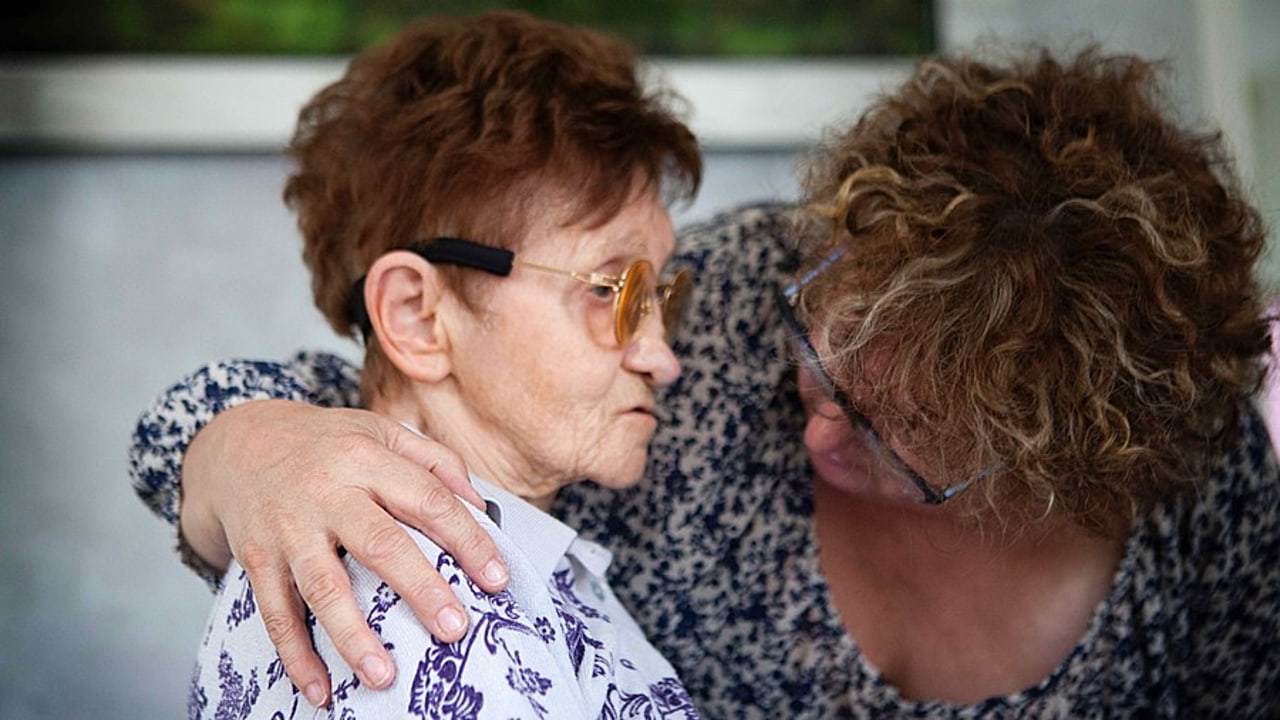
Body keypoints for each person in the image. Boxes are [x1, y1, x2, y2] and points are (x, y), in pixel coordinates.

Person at [132, 45, 1280, 718]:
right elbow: (398, 384)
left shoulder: (1204, 494)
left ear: (1062, 468)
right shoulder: (421, 608)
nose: (822, 428)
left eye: (901, 437)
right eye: (821, 361)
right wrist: (240, 444)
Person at [176, 10, 706, 717]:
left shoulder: (498, 560)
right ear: (417, 317)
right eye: (614, 289)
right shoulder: (421, 611)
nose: (661, 357)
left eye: (660, 294)